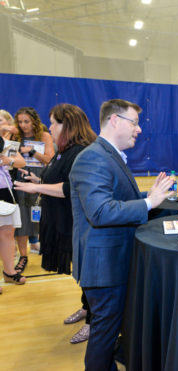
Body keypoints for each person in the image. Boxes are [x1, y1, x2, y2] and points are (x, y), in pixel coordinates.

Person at [69, 99, 174, 371]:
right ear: (115, 121)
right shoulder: (93, 157)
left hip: (113, 262)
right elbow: (100, 211)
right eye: (135, 123)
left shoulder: (109, 155)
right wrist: (149, 203)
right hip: (104, 267)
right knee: (104, 337)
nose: (138, 130)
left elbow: (117, 198)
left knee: (109, 333)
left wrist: (148, 197)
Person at [14, 103, 97, 343]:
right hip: (62, 221)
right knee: (79, 271)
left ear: (68, 125)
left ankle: (94, 319)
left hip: (76, 222)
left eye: (54, 123)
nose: (49, 127)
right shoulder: (66, 150)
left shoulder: (81, 151)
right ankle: (85, 307)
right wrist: (37, 177)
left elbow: (71, 189)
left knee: (87, 272)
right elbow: (56, 177)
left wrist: (36, 186)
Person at [12, 107, 55, 273]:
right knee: (21, 219)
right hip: (20, 179)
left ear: (34, 121)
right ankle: (23, 256)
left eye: (26, 121)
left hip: (39, 178)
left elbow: (49, 159)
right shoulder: (16, 136)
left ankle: (47, 250)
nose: (23, 125)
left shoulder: (44, 136)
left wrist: (31, 151)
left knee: (42, 216)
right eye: (20, 122)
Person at [0, 110, 27, 291]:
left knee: (7, 232)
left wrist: (7, 160)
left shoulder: (8, 142)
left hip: (4, 188)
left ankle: (9, 271)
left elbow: (21, 162)